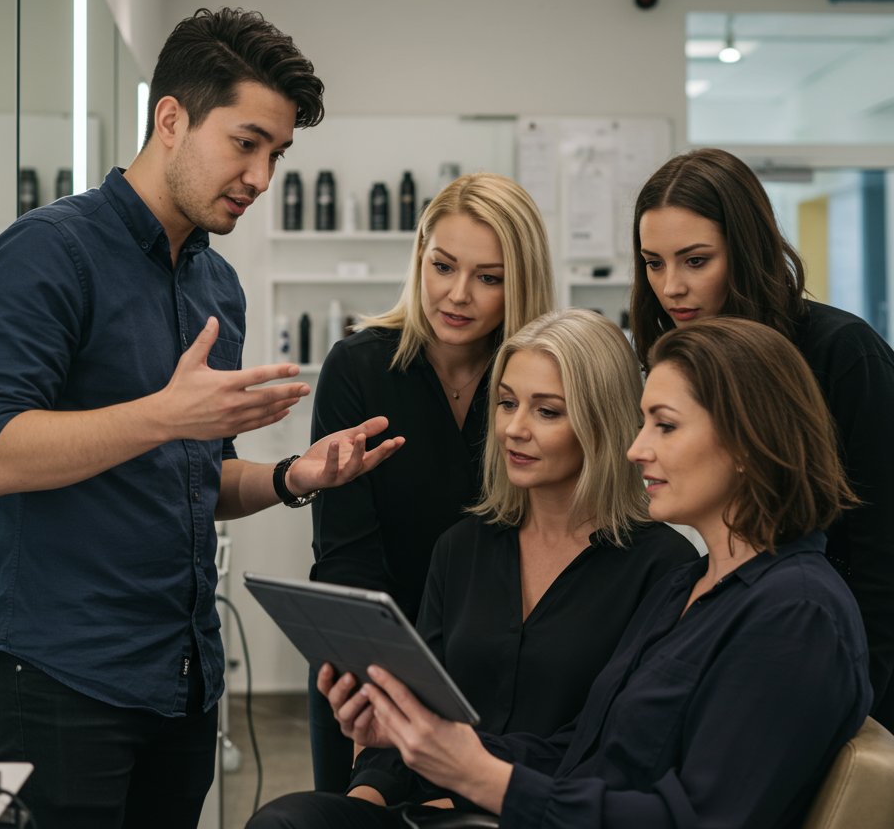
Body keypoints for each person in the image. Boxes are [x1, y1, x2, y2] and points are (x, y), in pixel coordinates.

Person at [0, 7, 404, 829]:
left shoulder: (215, 287)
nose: (262, 177)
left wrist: (292, 477)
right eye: (246, 143)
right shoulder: (47, 252)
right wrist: (164, 415)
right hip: (64, 671)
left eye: (277, 153)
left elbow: (200, 476)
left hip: (183, 676)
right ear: (171, 118)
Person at [250, 317, 871, 829]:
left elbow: (698, 819)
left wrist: (481, 777)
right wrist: (420, 737)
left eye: (666, 426)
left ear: (747, 443)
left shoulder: (795, 613)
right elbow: (579, 751)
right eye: (644, 421)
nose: (636, 448)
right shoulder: (698, 586)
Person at [344, 308, 696, 809]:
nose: (514, 428)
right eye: (507, 403)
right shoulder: (461, 547)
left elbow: (606, 746)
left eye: (547, 411)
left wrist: (457, 799)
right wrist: (365, 799)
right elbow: (414, 711)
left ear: (602, 422)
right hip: (423, 804)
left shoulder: (664, 567)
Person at [630, 146, 894, 730]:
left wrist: (859, 708)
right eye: (653, 262)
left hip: (843, 661)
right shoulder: (677, 358)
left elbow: (884, 552)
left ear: (746, 252)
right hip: (746, 641)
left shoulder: (843, 354)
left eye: (696, 261)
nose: (671, 287)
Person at [308, 172, 555, 790]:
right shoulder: (358, 368)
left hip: (502, 683)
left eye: (489, 278)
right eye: (443, 265)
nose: (457, 295)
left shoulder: (538, 385)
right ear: (420, 253)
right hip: (372, 673)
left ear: (520, 284)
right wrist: (377, 693)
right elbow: (345, 560)